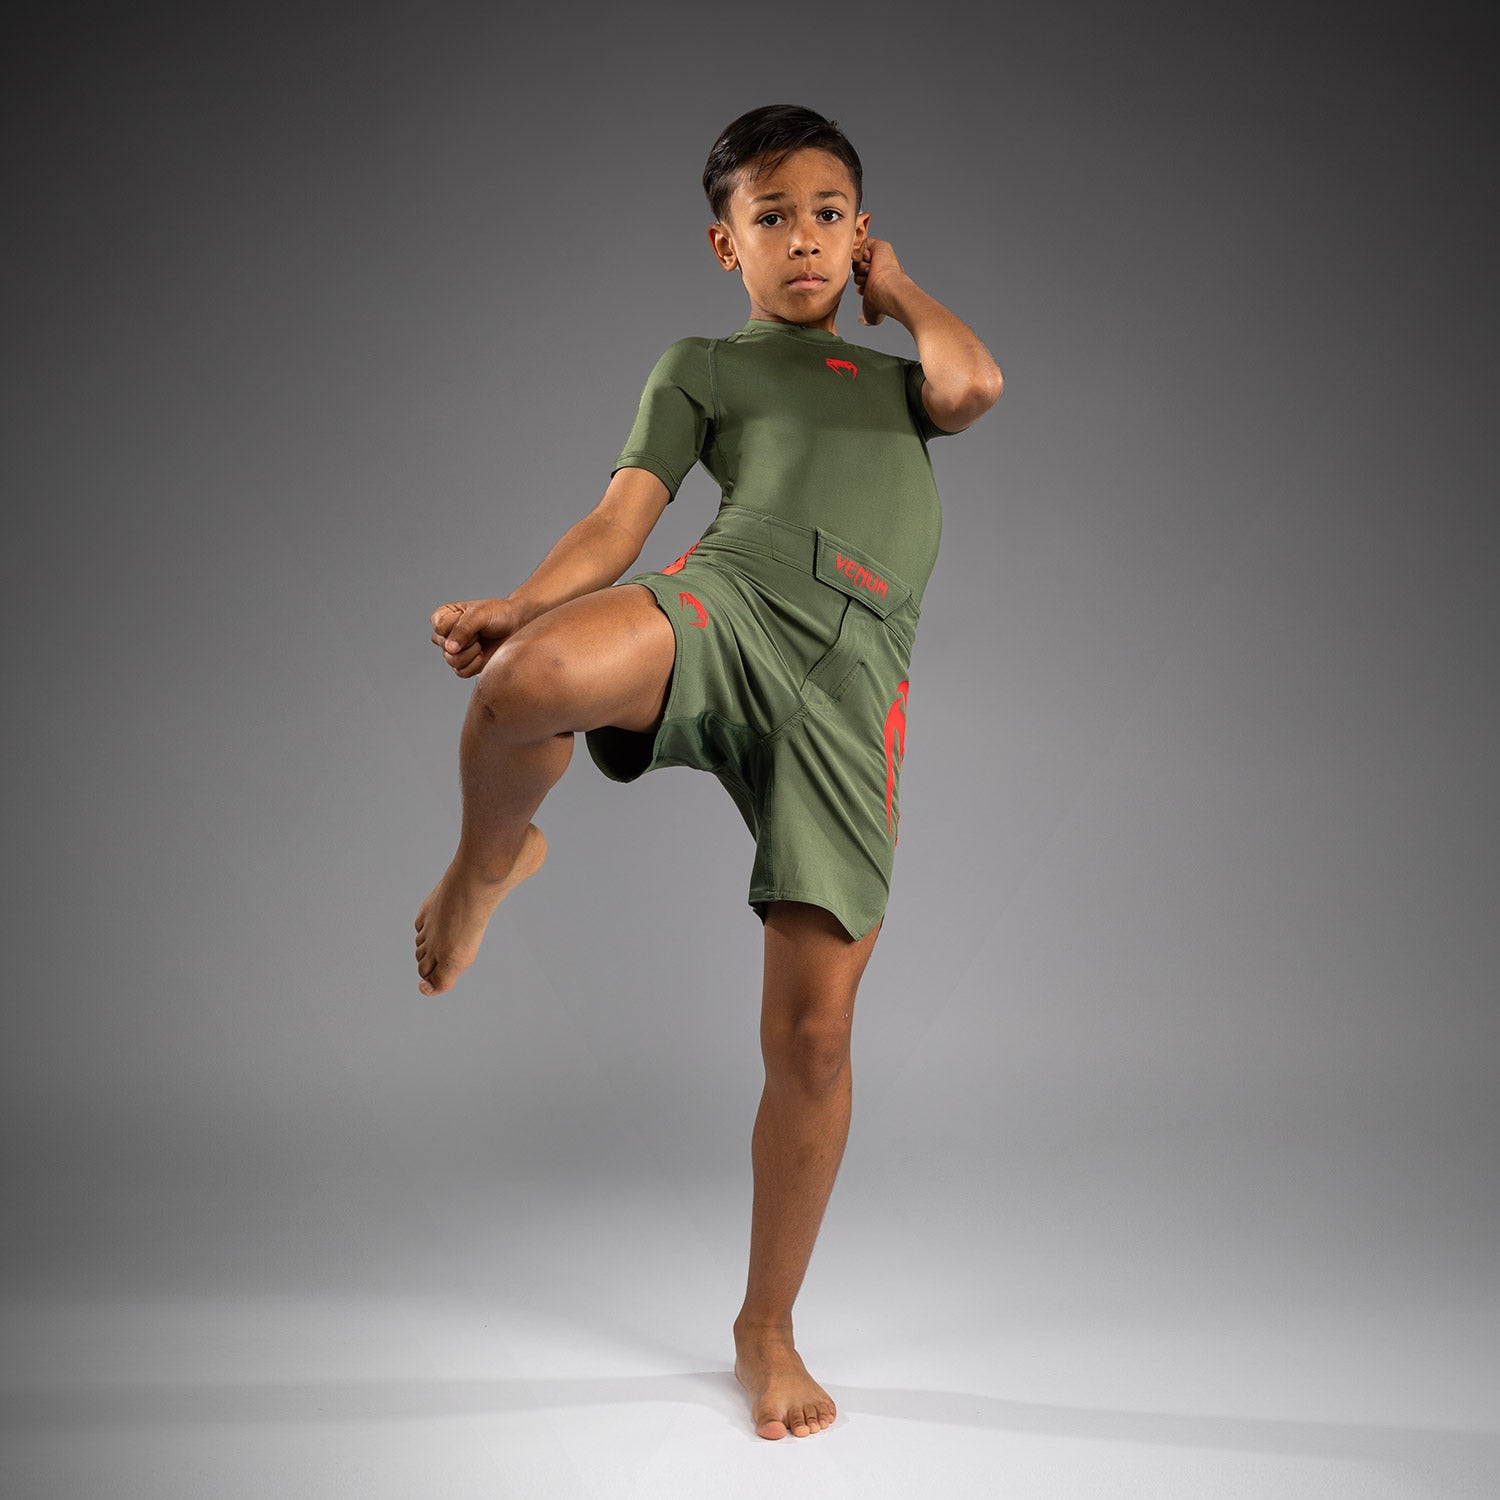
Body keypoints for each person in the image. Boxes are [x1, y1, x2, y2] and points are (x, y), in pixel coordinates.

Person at [414, 104, 1002, 1441]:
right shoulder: (705, 366)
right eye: (772, 216)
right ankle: (488, 862)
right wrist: (518, 603)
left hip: (855, 683)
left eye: (830, 215)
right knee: (528, 682)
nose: (805, 239)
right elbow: (618, 519)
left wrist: (901, 291)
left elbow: (973, 386)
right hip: (733, 600)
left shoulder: (897, 381)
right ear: (725, 242)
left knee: (814, 1039)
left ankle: (765, 1327)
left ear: (861, 234)